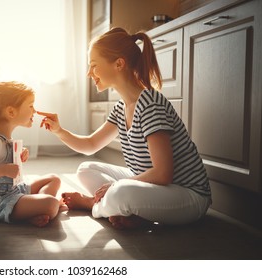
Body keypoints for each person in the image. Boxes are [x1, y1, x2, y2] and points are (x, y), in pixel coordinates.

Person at [38, 27, 212, 229]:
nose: (88, 73)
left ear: (119, 64)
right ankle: (131, 212)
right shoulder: (122, 107)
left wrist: (115, 185)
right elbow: (91, 145)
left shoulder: (150, 105)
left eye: (94, 65)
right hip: (156, 186)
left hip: (187, 195)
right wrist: (59, 131)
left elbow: (163, 174)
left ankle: (90, 204)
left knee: (121, 192)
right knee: (86, 169)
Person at [0, 81, 61, 227]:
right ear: (11, 112)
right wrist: (2, 170)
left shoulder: (6, 139)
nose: (34, 111)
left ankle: (31, 210)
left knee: (54, 179)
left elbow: (2, 161)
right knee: (52, 204)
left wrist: (18, 156)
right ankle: (30, 212)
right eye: (30, 106)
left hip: (14, 191)